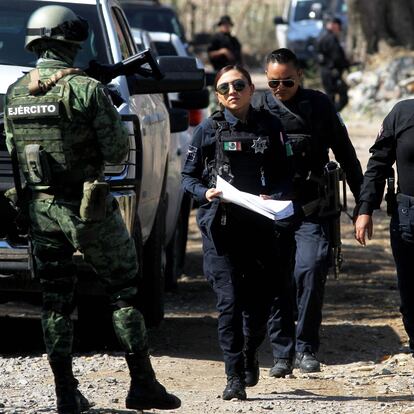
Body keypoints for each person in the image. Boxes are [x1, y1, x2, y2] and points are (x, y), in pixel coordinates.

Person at [3, 5, 180, 414]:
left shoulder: (14, 93)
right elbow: (118, 153)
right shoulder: (85, 89)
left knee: (56, 300)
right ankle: (142, 385)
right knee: (123, 291)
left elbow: (15, 149)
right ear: (71, 41)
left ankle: (66, 392)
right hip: (88, 210)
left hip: (41, 209)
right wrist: (106, 102)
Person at [182, 64, 295, 400]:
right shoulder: (208, 130)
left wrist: (272, 196)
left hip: (260, 226)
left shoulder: (270, 126)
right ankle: (233, 377)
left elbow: (286, 174)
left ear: (250, 89)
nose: (232, 91)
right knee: (229, 303)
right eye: (224, 88)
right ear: (218, 96)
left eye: (239, 85)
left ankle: (249, 354)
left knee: (259, 304)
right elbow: (188, 178)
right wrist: (206, 194)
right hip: (220, 229)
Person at [253, 48, 363, 376]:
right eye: (273, 82)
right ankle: (282, 352)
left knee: (312, 269)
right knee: (276, 280)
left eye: (287, 81)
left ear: (300, 75)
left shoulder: (319, 105)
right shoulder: (258, 107)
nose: (280, 88)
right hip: (271, 209)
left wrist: (364, 205)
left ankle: (306, 346)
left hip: (311, 207)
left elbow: (346, 154)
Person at [355, 100, 414, 355]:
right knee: (411, 287)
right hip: (409, 215)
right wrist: (365, 208)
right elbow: (378, 163)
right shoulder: (402, 113)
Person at [316, 16, 349, 112]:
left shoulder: (322, 36)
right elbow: (337, 57)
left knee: (330, 97)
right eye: (339, 27)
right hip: (332, 72)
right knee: (342, 97)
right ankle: (332, 116)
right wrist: (346, 65)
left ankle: (331, 117)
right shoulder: (330, 39)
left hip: (326, 72)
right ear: (334, 25)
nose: (339, 30)